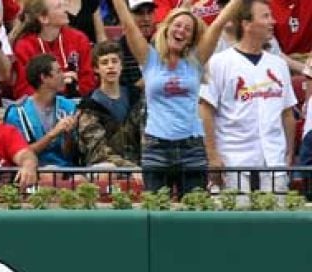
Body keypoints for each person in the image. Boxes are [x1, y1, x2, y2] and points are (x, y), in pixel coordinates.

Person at [110, 0, 241, 194]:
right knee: (156, 212)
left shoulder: (196, 60)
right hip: (156, 147)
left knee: (194, 213)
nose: (181, 31)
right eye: (177, 25)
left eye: (188, 29)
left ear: (191, 38)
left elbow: (219, 23)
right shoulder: (149, 58)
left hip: (192, 147)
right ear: (167, 28)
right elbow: (129, 26)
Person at [199, 0, 296, 194]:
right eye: (265, 16)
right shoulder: (219, 62)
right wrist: (213, 155)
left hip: (273, 162)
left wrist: (289, 153)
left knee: (277, 221)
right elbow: (205, 109)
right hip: (234, 161)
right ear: (246, 24)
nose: (273, 22)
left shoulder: (278, 65)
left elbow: (287, 113)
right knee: (236, 221)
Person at [77, 41, 146, 171]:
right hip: (106, 167)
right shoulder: (89, 106)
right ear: (96, 69)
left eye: (114, 61)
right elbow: (97, 150)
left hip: (139, 164)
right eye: (104, 62)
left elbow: (146, 136)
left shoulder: (136, 97)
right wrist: (131, 168)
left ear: (121, 66)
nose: (110, 66)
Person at [4, 53, 79, 168]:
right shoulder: (17, 113)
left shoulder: (69, 106)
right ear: (43, 77)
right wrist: (52, 135)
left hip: (67, 172)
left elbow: (70, 155)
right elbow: (19, 153)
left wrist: (68, 135)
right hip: (34, 172)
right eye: (58, 72)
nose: (64, 76)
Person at [12, 0, 97, 99]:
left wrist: (73, 90)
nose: (66, 9)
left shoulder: (79, 39)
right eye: (59, 7)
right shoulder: (25, 46)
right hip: (40, 107)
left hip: (77, 103)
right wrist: (57, 87)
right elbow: (23, 90)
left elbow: (88, 80)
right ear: (44, 18)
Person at [118, 0, 156, 89]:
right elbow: (118, 96)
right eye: (139, 13)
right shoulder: (118, 51)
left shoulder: (165, 46)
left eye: (150, 12)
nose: (146, 18)